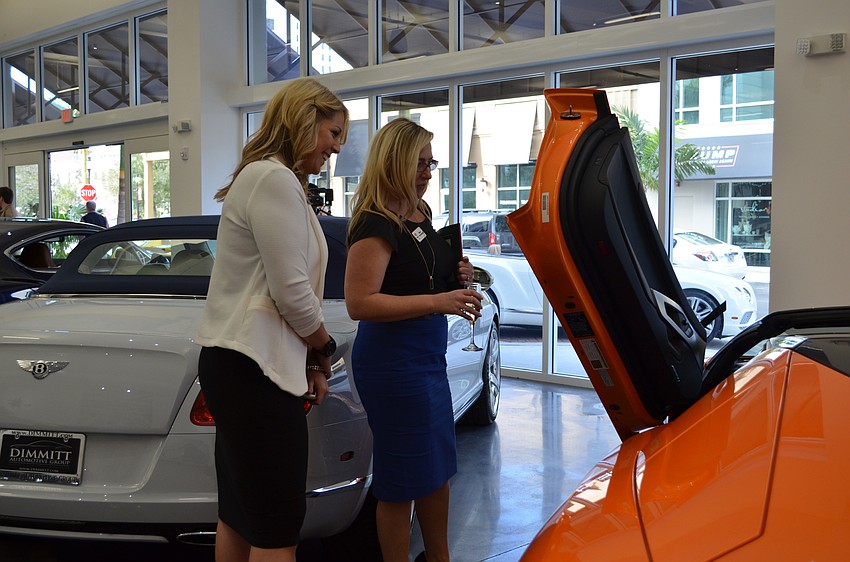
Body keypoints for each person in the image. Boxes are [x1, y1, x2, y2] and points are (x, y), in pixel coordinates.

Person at [195, 77, 348, 562]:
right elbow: (291, 293)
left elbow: (275, 291)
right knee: (276, 525)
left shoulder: (270, 177)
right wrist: (325, 349)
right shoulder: (274, 179)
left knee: (243, 514)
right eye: (333, 133)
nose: (335, 148)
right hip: (251, 370)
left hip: (241, 366)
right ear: (306, 119)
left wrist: (304, 362)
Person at [344, 118, 482, 562]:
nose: (427, 171)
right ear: (395, 162)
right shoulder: (375, 222)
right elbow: (360, 303)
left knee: (437, 469)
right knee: (403, 478)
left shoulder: (421, 215)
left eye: (431, 162)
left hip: (426, 359)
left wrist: (457, 275)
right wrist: (437, 300)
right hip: (392, 365)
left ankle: (439, 557)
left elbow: (422, 278)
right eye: (419, 163)